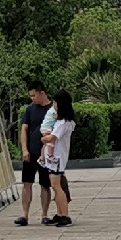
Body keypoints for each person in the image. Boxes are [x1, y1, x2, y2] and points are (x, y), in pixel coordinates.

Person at [15, 84, 52, 225]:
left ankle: (44, 214)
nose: (32, 98)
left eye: (33, 95)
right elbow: (24, 129)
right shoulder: (30, 109)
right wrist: (24, 149)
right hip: (31, 152)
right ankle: (24, 214)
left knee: (45, 184)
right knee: (27, 183)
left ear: (42, 93)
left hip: (47, 153)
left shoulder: (52, 109)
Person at [39, 91, 78, 227]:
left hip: (57, 157)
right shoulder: (63, 121)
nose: (54, 105)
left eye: (55, 102)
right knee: (56, 185)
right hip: (55, 157)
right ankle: (60, 213)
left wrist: (43, 139)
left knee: (57, 186)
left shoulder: (63, 122)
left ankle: (65, 215)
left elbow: (52, 138)